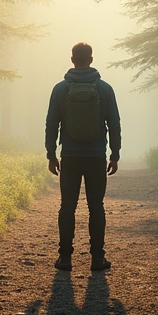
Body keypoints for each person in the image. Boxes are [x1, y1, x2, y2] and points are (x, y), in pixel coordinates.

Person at [45, 42, 121, 272]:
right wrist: (114, 154)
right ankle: (97, 258)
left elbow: (51, 123)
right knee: (96, 207)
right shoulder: (105, 89)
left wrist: (51, 154)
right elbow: (114, 123)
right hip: (96, 156)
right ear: (91, 58)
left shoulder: (60, 89)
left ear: (72, 59)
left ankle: (65, 258)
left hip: (69, 156)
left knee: (67, 206)